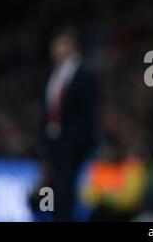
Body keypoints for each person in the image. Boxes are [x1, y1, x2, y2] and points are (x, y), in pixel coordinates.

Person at [37, 27, 99, 221]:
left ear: (72, 46)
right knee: (53, 187)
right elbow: (47, 108)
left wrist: (79, 140)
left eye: (60, 44)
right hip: (53, 141)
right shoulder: (53, 74)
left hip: (73, 142)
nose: (55, 49)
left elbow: (88, 111)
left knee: (65, 187)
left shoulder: (84, 73)